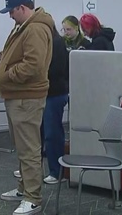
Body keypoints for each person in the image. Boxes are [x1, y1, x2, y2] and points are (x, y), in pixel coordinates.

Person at [0, 0, 53, 215]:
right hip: (18, 95)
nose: (10, 16)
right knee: (23, 148)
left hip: (27, 96)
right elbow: (23, 57)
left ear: (22, 8)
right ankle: (24, 189)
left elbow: (33, 65)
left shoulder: (34, 28)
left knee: (29, 149)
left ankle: (33, 198)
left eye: (12, 11)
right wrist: (3, 58)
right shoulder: (25, 26)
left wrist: (7, 74)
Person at [41, 23, 69, 185]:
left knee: (52, 133)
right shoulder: (48, 41)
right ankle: (37, 168)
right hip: (46, 92)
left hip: (54, 93)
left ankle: (57, 171)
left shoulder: (56, 43)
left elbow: (57, 70)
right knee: (41, 133)